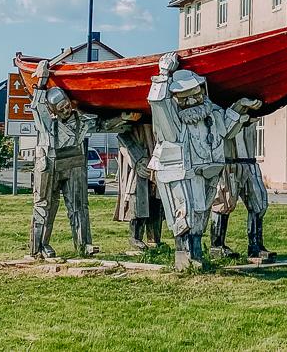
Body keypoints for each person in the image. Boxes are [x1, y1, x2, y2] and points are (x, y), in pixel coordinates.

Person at [147, 52, 260, 269]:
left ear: (202, 91)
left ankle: (196, 256)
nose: (191, 101)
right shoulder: (172, 120)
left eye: (195, 95)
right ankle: (184, 258)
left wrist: (241, 106)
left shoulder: (211, 113)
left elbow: (227, 129)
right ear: (176, 98)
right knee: (184, 212)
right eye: (184, 97)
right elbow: (157, 102)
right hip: (179, 172)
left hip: (208, 170)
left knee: (201, 214)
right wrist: (164, 73)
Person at [28, 60, 98, 258]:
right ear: (53, 110)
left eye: (66, 105)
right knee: (45, 205)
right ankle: (39, 247)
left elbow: (103, 122)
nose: (66, 110)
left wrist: (126, 117)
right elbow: (37, 108)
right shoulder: (47, 124)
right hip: (49, 164)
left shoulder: (81, 121)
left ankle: (84, 245)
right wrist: (42, 81)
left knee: (79, 206)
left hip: (74, 163)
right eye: (61, 108)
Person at [209, 115, 275, 262]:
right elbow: (224, 129)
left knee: (259, 202)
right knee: (223, 202)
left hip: (250, 161)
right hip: (228, 162)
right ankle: (217, 246)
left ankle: (256, 247)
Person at [113, 122, 163, 251]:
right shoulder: (131, 129)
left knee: (156, 202)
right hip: (140, 161)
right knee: (139, 200)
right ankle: (135, 237)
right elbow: (124, 138)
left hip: (157, 161)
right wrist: (138, 160)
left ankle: (154, 239)